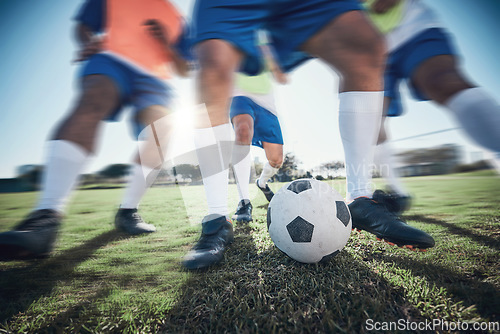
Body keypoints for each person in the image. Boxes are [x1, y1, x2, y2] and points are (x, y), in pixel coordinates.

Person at [182, 0, 435, 271]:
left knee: (364, 45)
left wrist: (271, 56)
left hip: (267, 99)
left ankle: (360, 199)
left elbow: (278, 70)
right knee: (214, 66)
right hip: (239, 80)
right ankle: (220, 216)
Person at [0, 0, 190, 260]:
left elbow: (185, 67)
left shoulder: (176, 17)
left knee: (161, 130)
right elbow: (82, 26)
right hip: (111, 59)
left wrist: (167, 44)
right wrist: (87, 40)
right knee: (93, 100)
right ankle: (45, 218)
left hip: (156, 77)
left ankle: (128, 212)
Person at [363, 0, 500, 214]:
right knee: (370, 120)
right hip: (368, 48)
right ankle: (398, 194)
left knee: (441, 81)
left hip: (410, 25)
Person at [231, 33, 287, 222]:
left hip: (265, 101)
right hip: (238, 93)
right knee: (243, 131)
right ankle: (244, 202)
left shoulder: (262, 30)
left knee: (276, 159)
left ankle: (262, 182)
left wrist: (276, 66)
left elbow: (277, 69)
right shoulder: (228, 23)